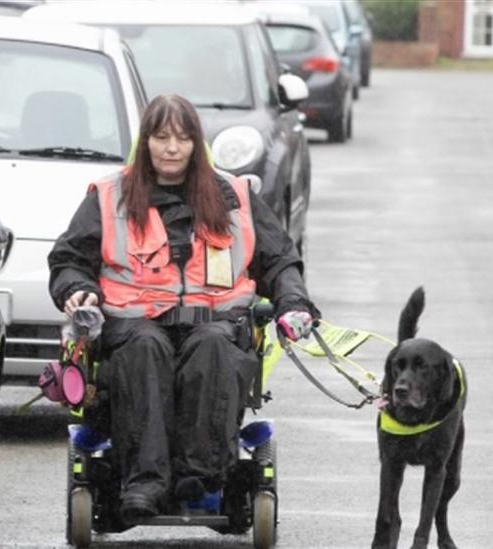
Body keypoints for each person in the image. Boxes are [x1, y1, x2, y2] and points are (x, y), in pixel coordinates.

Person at [47, 94, 318, 522]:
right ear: (145, 141)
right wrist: (79, 289)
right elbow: (69, 260)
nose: (171, 148)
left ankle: (199, 476)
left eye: (182, 137)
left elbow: (280, 260)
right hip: (133, 326)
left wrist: (293, 304)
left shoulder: (236, 196)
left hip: (216, 326)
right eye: (161, 137)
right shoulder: (109, 195)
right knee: (145, 348)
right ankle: (144, 482)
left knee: (211, 346)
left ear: (197, 143)